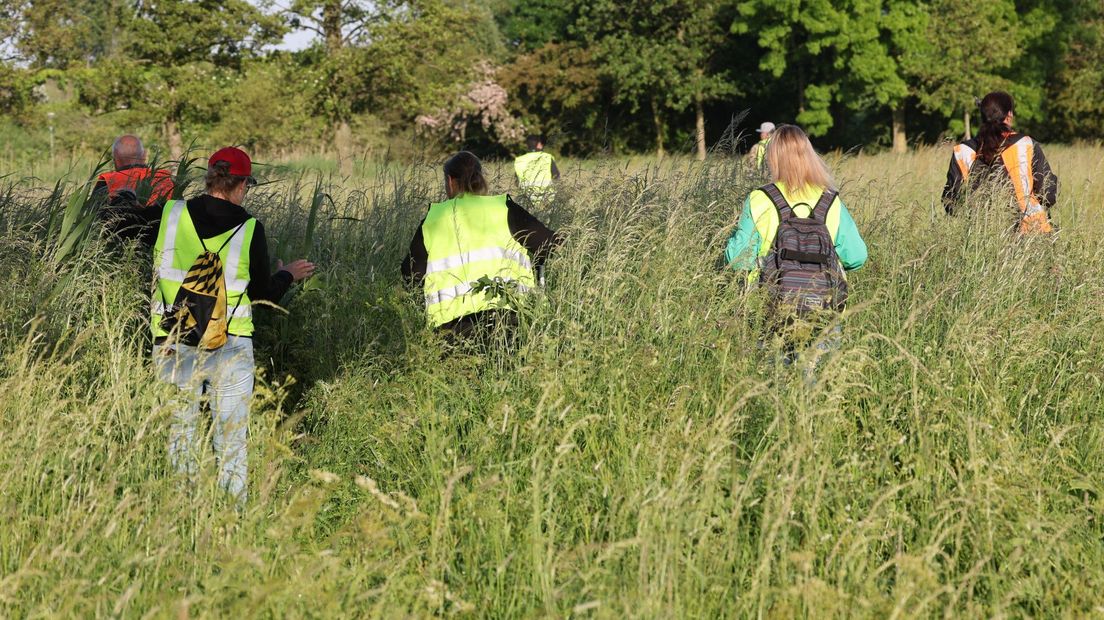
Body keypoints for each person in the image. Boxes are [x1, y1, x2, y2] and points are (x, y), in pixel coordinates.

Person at [151, 147, 315, 506]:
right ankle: (233, 516)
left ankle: (183, 514)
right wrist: (288, 274)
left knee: (180, 434)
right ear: (240, 183)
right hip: (231, 344)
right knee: (231, 438)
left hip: (173, 341)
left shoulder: (171, 214)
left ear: (211, 177)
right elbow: (262, 292)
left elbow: (126, 225)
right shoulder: (249, 228)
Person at [725, 124, 867, 376]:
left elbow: (737, 259)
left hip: (768, 309)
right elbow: (857, 256)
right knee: (819, 387)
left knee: (773, 386)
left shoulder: (760, 198)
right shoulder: (830, 200)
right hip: (824, 308)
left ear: (773, 158)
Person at [404, 151, 559, 342]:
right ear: (480, 178)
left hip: (452, 331)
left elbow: (411, 275)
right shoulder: (504, 209)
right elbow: (550, 244)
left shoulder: (434, 218)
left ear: (450, 181)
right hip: (508, 322)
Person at [942, 91, 1058, 234]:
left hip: (980, 237)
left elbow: (950, 201)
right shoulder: (1026, 144)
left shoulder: (962, 151)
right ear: (1009, 115)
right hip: (1031, 232)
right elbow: (1048, 194)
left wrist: (975, 219)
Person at [93, 135, 176, 242]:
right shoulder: (166, 178)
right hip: (166, 241)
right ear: (144, 155)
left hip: (123, 244)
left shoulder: (107, 181)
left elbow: (94, 222)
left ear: (116, 158)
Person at [514, 135, 560, 203]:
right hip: (547, 200)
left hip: (527, 200)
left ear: (527, 145)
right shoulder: (547, 157)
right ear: (539, 144)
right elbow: (556, 177)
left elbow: (517, 183)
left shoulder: (519, 160)